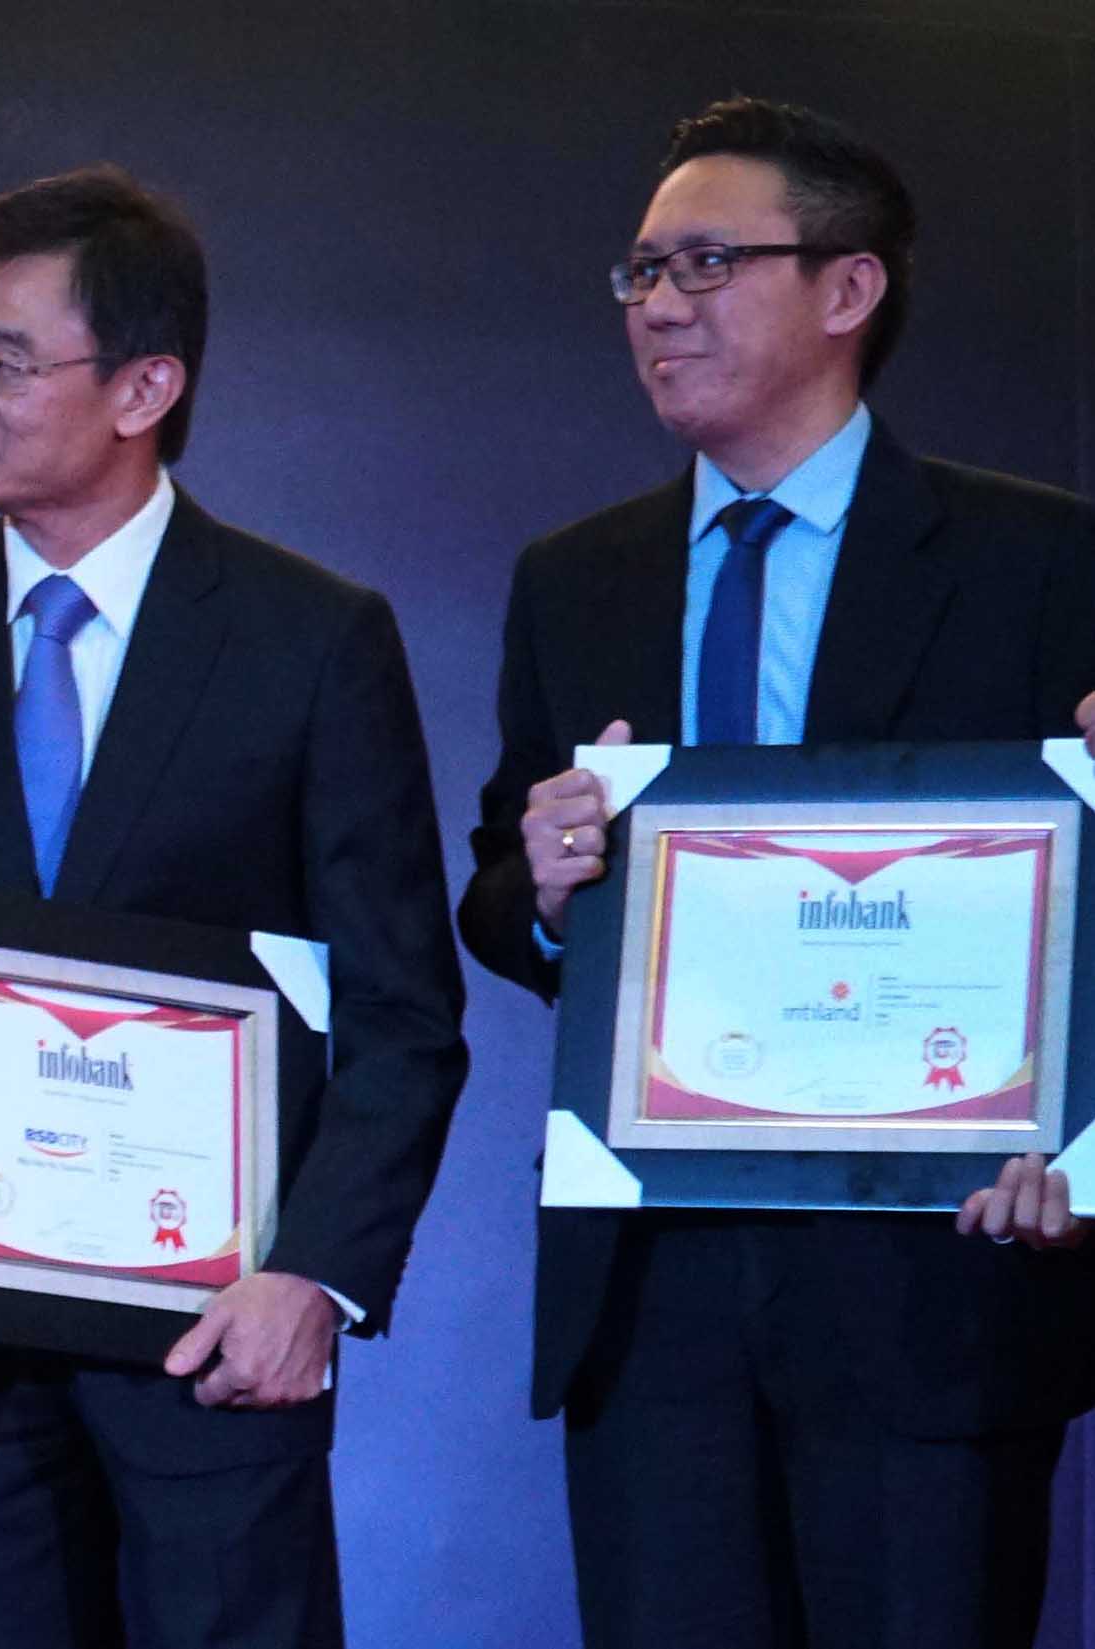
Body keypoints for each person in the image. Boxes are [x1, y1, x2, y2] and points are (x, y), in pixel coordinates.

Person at [0, 165, 468, 1649]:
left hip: (212, 1349)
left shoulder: (309, 639)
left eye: (4, 361)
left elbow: (405, 1014)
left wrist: (318, 1278)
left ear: (145, 386)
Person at [457, 95, 1095, 1648]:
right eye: (640, 273)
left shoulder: (1044, 563)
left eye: (706, 264)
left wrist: (1083, 1152)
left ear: (849, 287)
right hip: (651, 1297)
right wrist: (548, 891)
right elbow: (496, 890)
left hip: (938, 1276)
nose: (658, 307)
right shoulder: (575, 578)